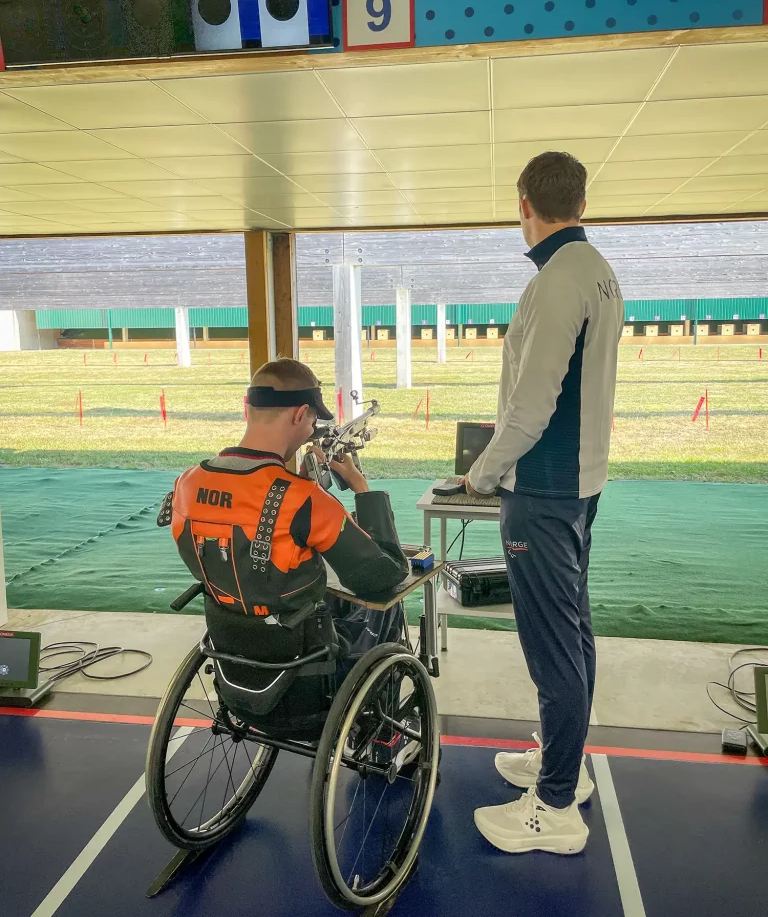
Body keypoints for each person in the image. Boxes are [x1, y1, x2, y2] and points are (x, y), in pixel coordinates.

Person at [466, 152, 623, 855]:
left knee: (553, 646)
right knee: (575, 634)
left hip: (545, 488)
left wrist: (483, 473)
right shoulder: (596, 271)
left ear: (524, 203)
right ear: (579, 203)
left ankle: (554, 806)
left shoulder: (559, 281)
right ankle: (562, 762)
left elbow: (531, 408)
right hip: (580, 485)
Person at [168, 357, 412, 743]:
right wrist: (364, 491)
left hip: (233, 666)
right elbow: (381, 576)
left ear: (248, 409)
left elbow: (233, 559)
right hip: (307, 683)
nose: (314, 429)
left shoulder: (187, 483)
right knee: (388, 604)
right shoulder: (304, 500)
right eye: (314, 421)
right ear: (301, 414)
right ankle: (384, 738)